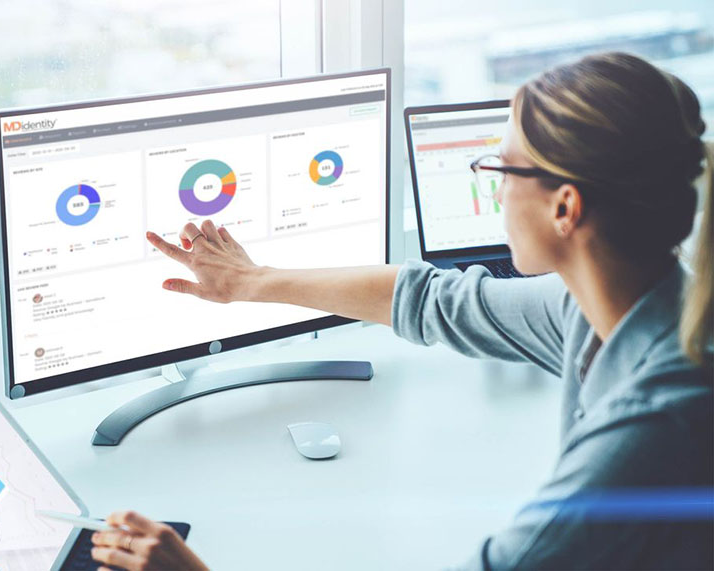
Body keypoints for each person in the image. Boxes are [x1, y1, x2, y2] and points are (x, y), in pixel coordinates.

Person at [91, 52, 713, 570]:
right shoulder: (630, 305)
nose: (493, 187)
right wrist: (250, 282)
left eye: (500, 167)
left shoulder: (651, 429)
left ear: (565, 208)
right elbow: (428, 299)